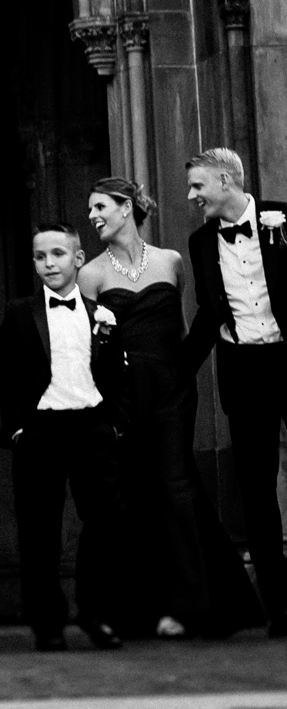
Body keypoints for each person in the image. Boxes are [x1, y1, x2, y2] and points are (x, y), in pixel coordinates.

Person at [84, 175, 262, 638]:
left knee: (177, 485)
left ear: (126, 207)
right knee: (137, 491)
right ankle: (150, 607)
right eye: (89, 210)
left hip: (172, 391)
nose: (93, 216)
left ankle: (194, 605)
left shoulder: (172, 261)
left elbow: (184, 328)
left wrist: (182, 379)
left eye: (100, 206)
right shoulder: (92, 274)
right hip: (125, 397)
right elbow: (90, 348)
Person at [0, 220, 127, 652]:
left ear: (77, 258)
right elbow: (7, 379)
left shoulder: (101, 314)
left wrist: (113, 424)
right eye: (39, 256)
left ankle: (96, 614)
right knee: (39, 529)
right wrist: (18, 429)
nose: (48, 263)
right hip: (40, 432)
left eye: (56, 254)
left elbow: (116, 376)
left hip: (92, 428)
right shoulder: (19, 313)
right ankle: (47, 622)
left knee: (105, 522)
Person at [181, 149, 287, 635]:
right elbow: (206, 313)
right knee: (257, 490)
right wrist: (177, 371)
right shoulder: (201, 242)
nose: (191, 196)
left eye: (198, 185)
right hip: (243, 372)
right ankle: (280, 609)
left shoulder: (282, 218)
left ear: (225, 180)